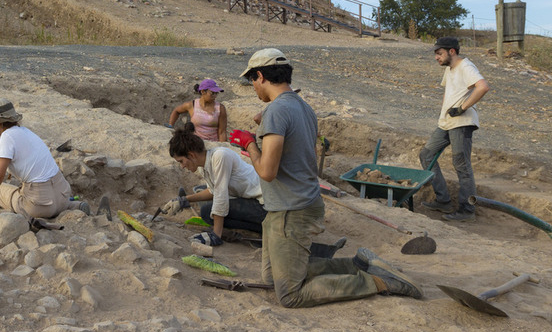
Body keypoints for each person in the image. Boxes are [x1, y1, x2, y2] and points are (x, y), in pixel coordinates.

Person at [228, 47, 422, 307]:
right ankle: (357, 264)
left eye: (252, 80)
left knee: (289, 295)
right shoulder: (303, 108)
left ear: (260, 76)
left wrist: (249, 143)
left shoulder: (276, 112)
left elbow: (267, 171)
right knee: (272, 277)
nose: (253, 87)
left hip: (290, 210)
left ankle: (378, 282)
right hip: (295, 204)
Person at [163, 123, 345, 258]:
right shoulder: (205, 165)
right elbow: (212, 191)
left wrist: (215, 235)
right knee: (205, 212)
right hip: (255, 202)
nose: (182, 166)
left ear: (192, 155)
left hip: (269, 203)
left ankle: (281, 233)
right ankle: (267, 230)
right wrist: (184, 199)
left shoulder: (219, 156)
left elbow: (220, 197)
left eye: (181, 161)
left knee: (214, 210)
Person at [0, 98, 88, 220]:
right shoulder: (25, 132)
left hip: (39, 205)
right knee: (56, 201)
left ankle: (47, 211)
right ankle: (73, 206)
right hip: (63, 191)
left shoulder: (7, 137)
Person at [419, 36, 490, 222]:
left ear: (452, 51)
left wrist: (462, 108)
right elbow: (448, 92)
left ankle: (467, 210)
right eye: (436, 54)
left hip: (462, 123)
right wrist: (443, 114)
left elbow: (482, 87)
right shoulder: (450, 70)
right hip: (446, 123)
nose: (436, 57)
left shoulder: (466, 66)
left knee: (461, 166)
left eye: (439, 53)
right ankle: (443, 200)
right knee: (426, 155)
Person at [166, 78, 227, 142]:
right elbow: (177, 111)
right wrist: (171, 125)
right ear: (203, 91)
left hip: (213, 143)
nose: (215, 96)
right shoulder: (192, 105)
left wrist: (223, 146)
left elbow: (222, 132)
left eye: (216, 93)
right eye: (212, 93)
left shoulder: (220, 108)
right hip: (196, 143)